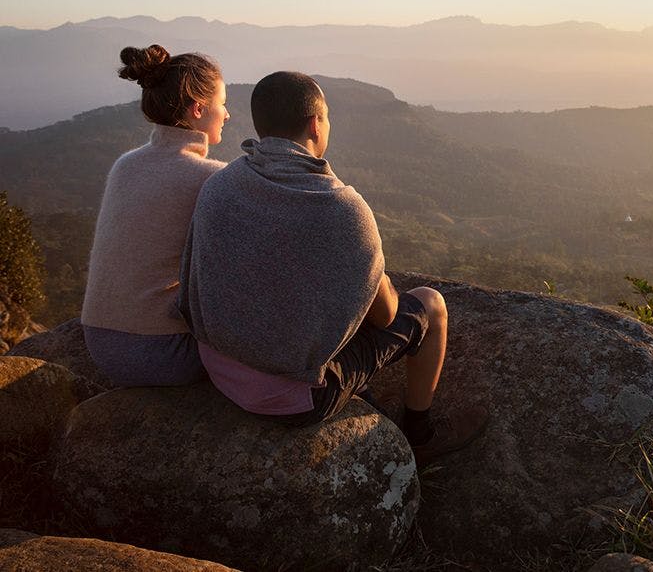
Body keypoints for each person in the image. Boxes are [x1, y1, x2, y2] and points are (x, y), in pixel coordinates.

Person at [179, 71, 484, 463]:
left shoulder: (221, 185)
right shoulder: (341, 207)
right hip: (293, 399)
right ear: (315, 123)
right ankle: (420, 434)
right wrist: (373, 275)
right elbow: (386, 314)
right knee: (429, 305)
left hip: (217, 368)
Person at [82, 44, 229, 386]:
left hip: (99, 342)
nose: (227, 114)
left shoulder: (125, 165)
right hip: (161, 352)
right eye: (223, 104)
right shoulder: (210, 177)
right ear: (198, 109)